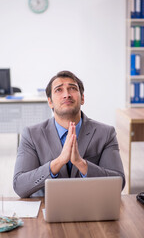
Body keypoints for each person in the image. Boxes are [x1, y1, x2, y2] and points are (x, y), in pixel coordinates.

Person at [13, 70, 125, 198]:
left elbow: (118, 183)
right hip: (46, 210)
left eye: (72, 88)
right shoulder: (31, 135)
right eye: (59, 90)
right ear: (50, 102)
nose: (66, 94)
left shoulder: (106, 133)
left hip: (91, 206)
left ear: (82, 98)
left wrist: (81, 164)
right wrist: (58, 162)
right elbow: (20, 186)